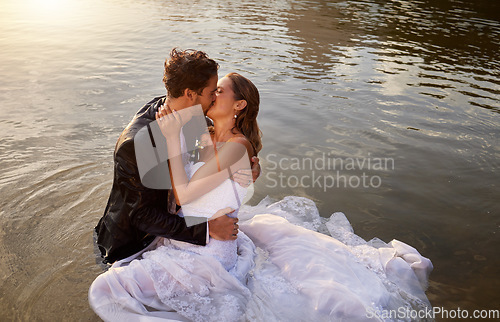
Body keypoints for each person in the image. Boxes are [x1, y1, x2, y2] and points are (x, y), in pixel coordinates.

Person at [94, 49, 260, 266]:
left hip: (179, 231)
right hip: (135, 243)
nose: (214, 99)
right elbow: (141, 216)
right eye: (212, 92)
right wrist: (206, 229)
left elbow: (224, 150)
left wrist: (250, 167)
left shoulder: (197, 117)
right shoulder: (137, 143)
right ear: (190, 94)